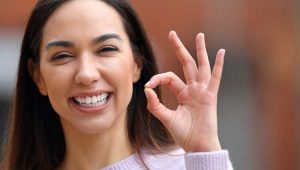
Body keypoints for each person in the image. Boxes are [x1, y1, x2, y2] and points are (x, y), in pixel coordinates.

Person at [0, 0, 233, 169]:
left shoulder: (192, 164)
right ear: (38, 75)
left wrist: (204, 152)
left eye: (106, 49)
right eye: (63, 56)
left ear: (137, 64)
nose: (86, 74)